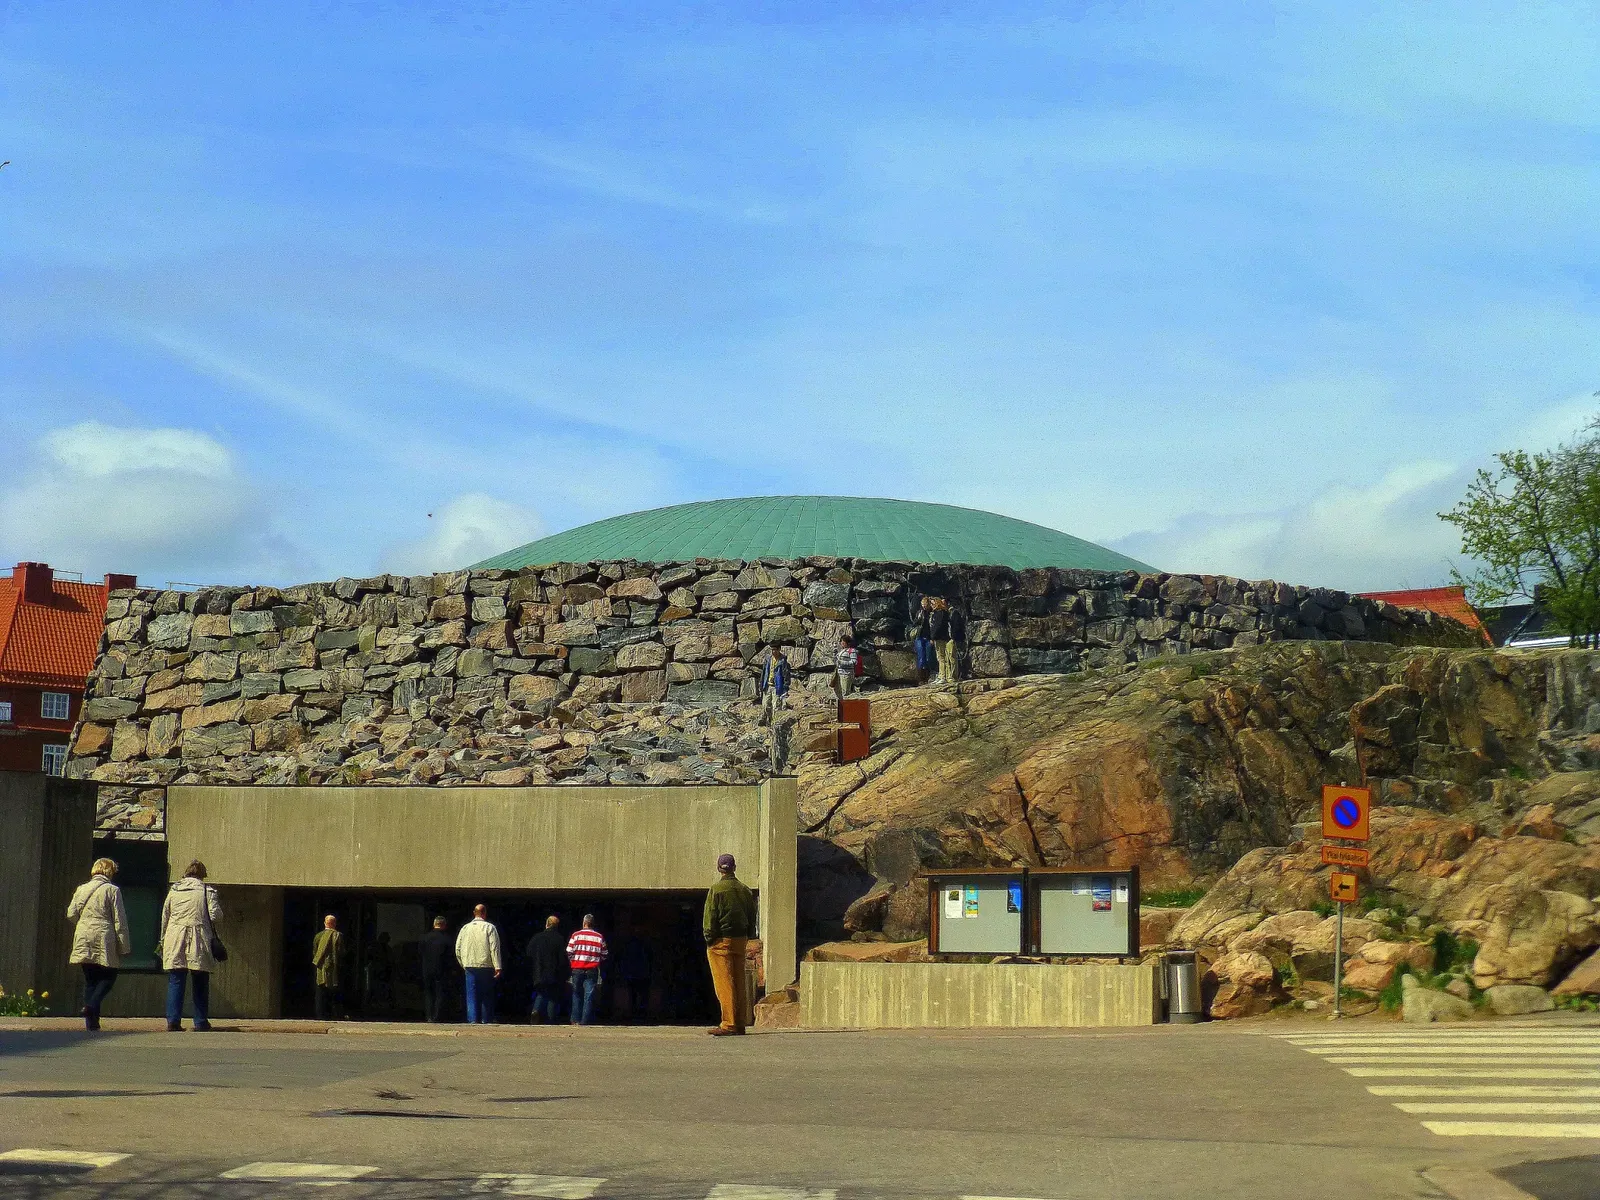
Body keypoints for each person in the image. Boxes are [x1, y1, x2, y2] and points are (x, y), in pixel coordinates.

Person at [67, 857, 131, 1031]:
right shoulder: (112, 890)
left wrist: (83, 924)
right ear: (109, 871)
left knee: (90, 979)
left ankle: (92, 1022)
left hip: (83, 933)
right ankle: (91, 1006)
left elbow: (71, 913)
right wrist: (124, 946)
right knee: (109, 975)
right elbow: (119, 919)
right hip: (103, 934)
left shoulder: (81, 889)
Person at [160, 860, 222, 1032]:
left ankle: (173, 1020)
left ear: (186, 873)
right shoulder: (206, 891)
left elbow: (165, 916)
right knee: (200, 979)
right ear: (202, 874)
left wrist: (163, 939)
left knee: (176, 978)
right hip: (199, 936)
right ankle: (200, 1021)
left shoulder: (174, 890)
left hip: (174, 936)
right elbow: (215, 915)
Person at [703, 852, 758, 1036]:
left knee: (724, 983)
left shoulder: (716, 890)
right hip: (740, 940)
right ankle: (740, 1023)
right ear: (734, 867)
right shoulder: (745, 890)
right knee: (739, 981)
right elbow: (752, 915)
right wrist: (748, 935)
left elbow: (710, 917)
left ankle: (728, 1024)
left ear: (719, 868)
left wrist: (710, 938)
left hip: (721, 941)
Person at [455, 903, 502, 1024]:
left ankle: (472, 1020)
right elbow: (494, 948)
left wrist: (463, 963)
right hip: (486, 965)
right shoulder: (490, 927)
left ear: (474, 913)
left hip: (470, 965)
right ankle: (486, 1019)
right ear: (485, 913)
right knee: (486, 995)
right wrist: (497, 966)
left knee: (471, 995)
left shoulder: (465, 928)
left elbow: (457, 949)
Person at [566, 914, 608, 1025]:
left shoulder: (576, 935)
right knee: (588, 996)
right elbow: (604, 954)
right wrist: (595, 960)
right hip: (592, 969)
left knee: (576, 994)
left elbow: (569, 951)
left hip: (577, 969)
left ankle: (575, 1019)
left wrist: (574, 961)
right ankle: (585, 1021)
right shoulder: (599, 937)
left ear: (584, 923)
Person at [526, 915, 569, 1023]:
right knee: (553, 997)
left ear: (546, 924)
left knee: (541, 993)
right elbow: (563, 959)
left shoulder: (536, 937)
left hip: (538, 972)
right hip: (553, 973)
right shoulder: (559, 939)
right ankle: (550, 1020)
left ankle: (535, 1011)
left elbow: (528, 954)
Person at [421, 916, 453, 1023]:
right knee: (440, 993)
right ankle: (437, 1016)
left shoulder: (425, 938)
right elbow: (450, 956)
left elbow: (420, 953)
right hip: (441, 970)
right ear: (443, 925)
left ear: (434, 924)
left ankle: (429, 1016)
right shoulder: (447, 939)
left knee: (428, 993)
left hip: (427, 969)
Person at [311, 915, 343, 1020]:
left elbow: (315, 952)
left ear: (325, 923)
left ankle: (320, 1016)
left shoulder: (318, 936)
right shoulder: (339, 936)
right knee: (334, 993)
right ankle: (335, 1015)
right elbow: (341, 952)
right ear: (334, 924)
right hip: (335, 970)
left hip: (320, 969)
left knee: (321, 992)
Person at [758, 645, 789, 725]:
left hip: (777, 686)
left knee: (776, 706)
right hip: (767, 685)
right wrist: (761, 684)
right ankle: (769, 720)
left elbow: (786, 675)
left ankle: (774, 724)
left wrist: (785, 688)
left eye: (775, 650)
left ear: (779, 650)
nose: (773, 652)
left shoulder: (782, 661)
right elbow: (764, 672)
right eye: (772, 650)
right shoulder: (768, 659)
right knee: (765, 705)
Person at [929, 598, 954, 685]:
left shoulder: (939, 613)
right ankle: (941, 675)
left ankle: (943, 676)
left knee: (941, 657)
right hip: (942, 637)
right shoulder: (943, 613)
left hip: (939, 638)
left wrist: (933, 637)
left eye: (932, 604)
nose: (931, 606)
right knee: (941, 657)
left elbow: (937, 626)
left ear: (937, 604)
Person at [913, 597, 936, 683]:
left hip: (929, 638)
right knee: (921, 657)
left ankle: (927, 676)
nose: (924, 607)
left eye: (925, 605)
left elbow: (933, 626)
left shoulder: (932, 613)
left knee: (928, 657)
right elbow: (915, 623)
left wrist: (932, 638)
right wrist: (918, 618)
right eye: (922, 605)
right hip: (920, 637)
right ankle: (921, 679)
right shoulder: (920, 612)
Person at [833, 633, 862, 699]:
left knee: (845, 692)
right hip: (839, 673)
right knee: (839, 692)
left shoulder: (852, 651)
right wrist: (835, 652)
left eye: (843, 641)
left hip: (847, 674)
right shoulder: (842, 651)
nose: (841, 643)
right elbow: (836, 661)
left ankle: (847, 706)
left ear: (847, 642)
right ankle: (842, 706)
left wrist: (842, 662)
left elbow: (854, 662)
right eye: (841, 641)